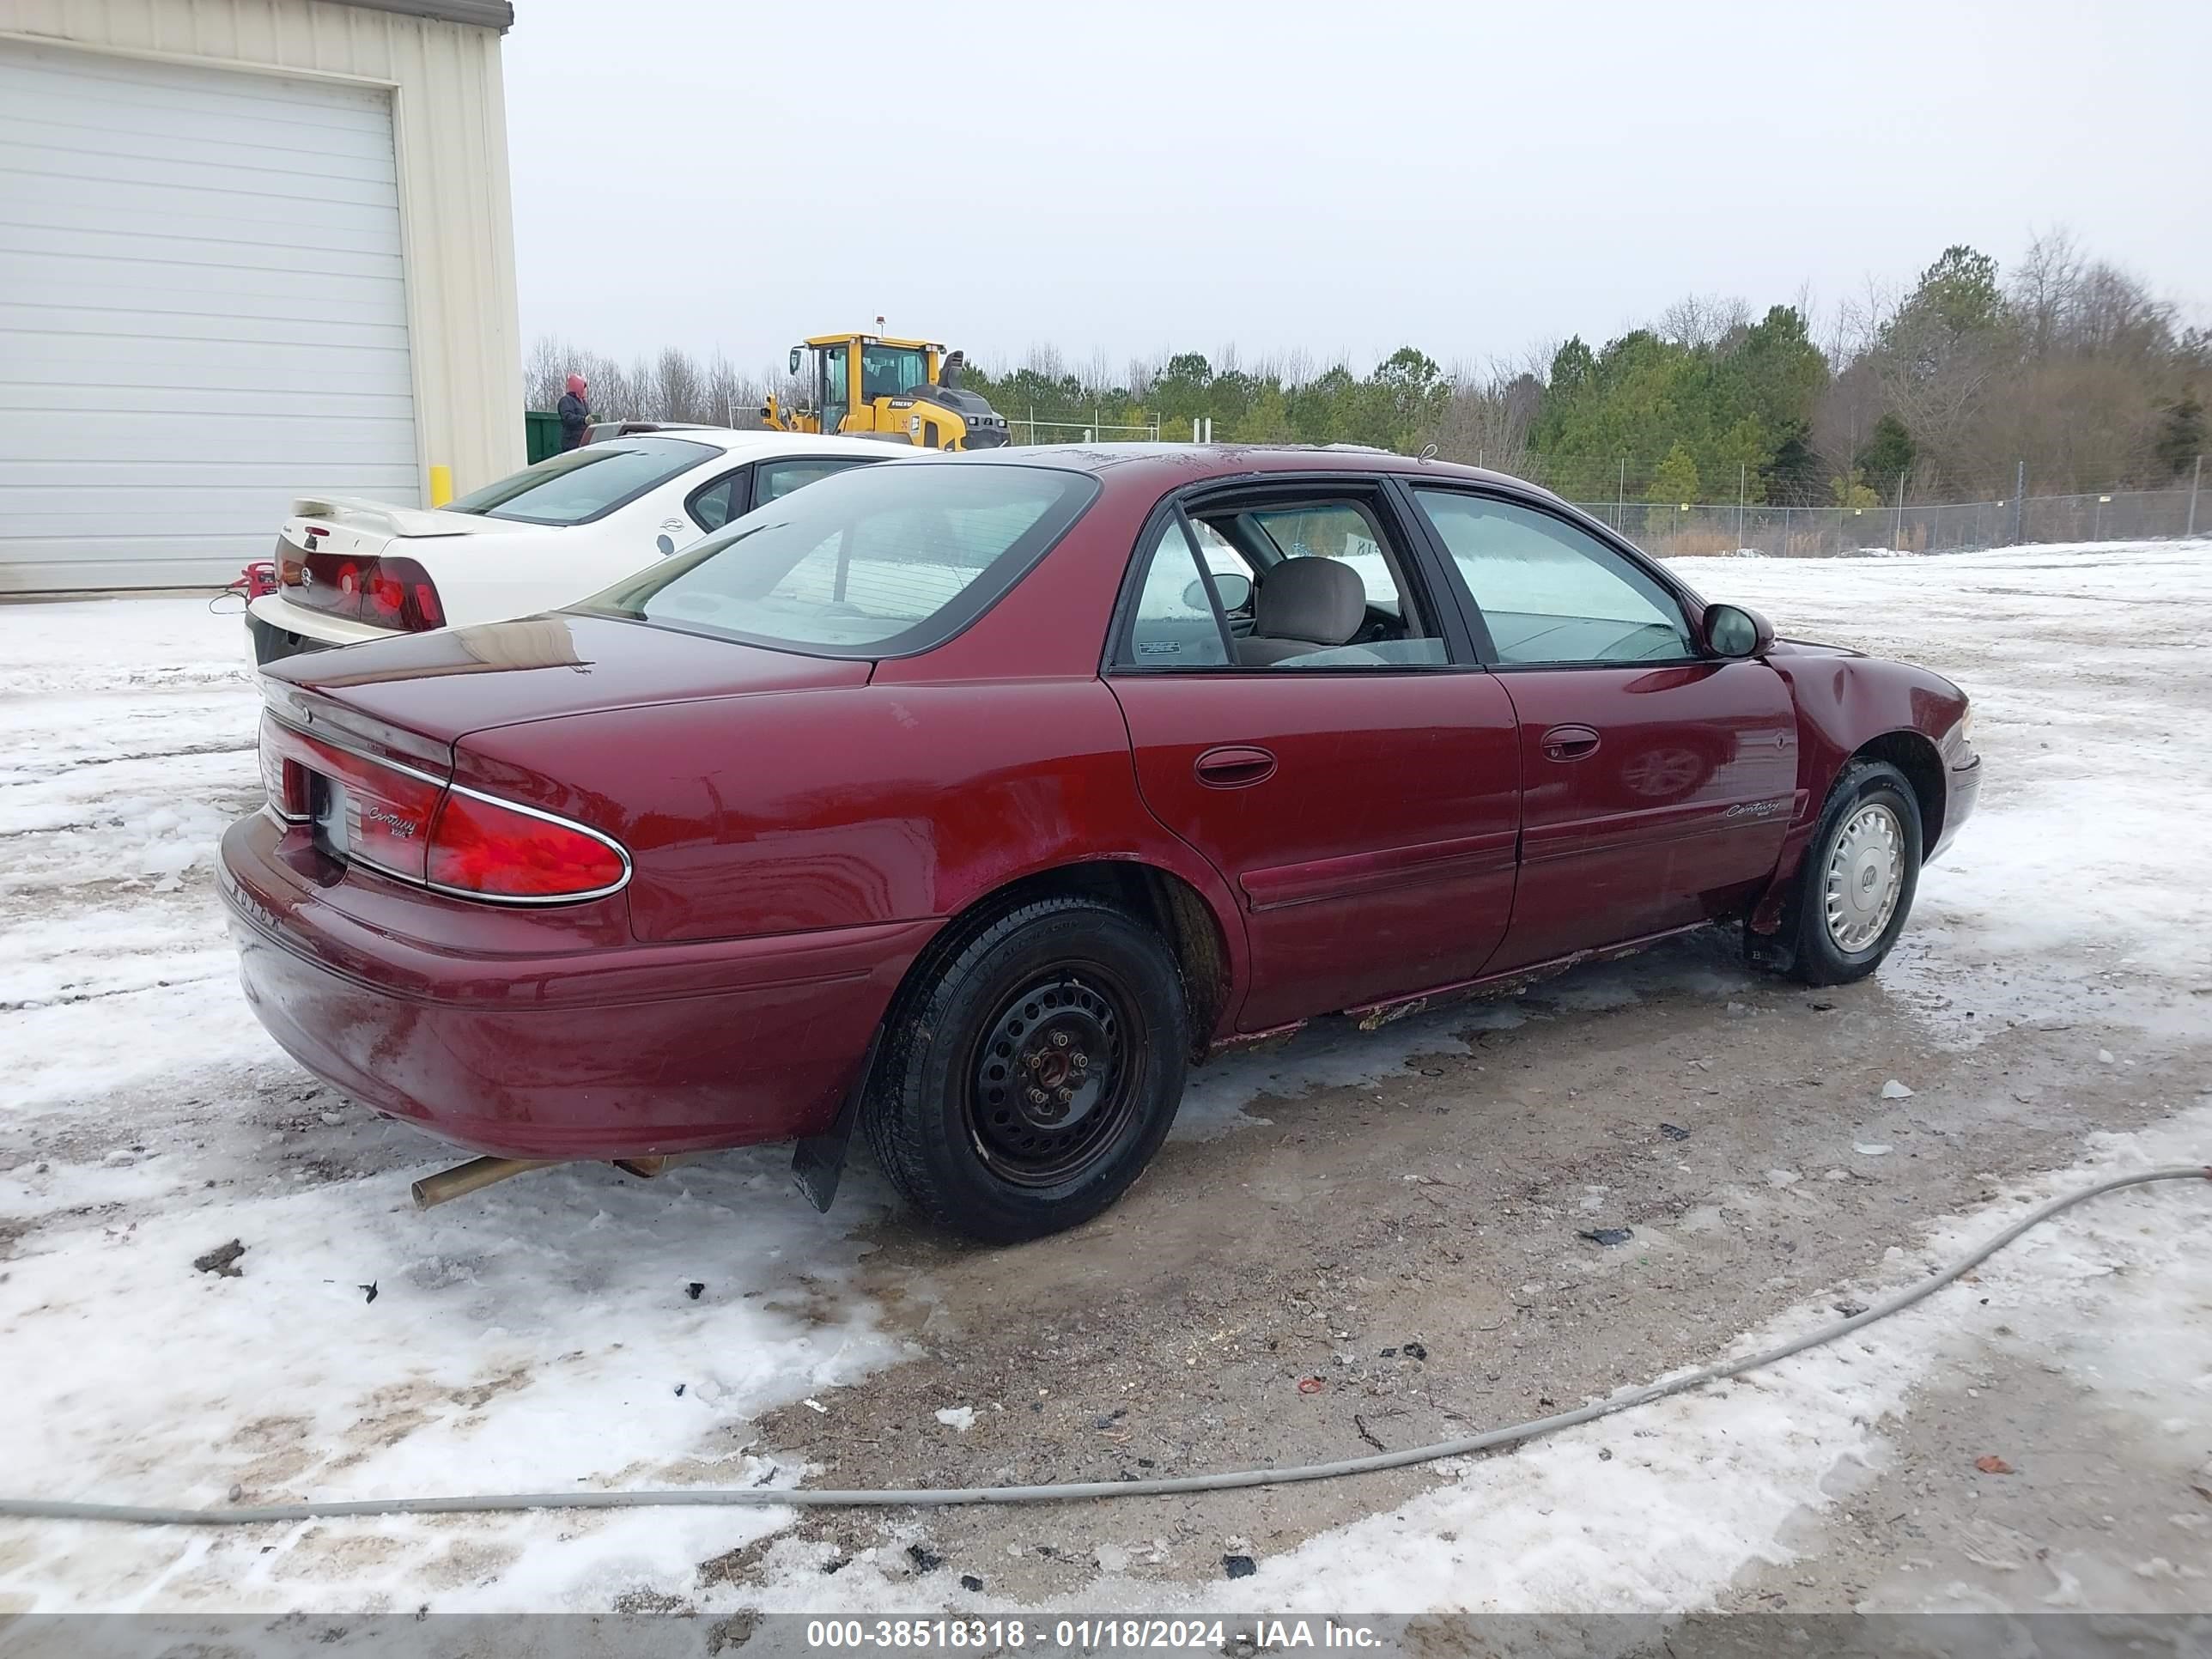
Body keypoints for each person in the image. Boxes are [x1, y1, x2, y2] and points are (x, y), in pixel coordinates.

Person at [556, 374, 591, 451]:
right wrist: (583, 420)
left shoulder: (584, 402)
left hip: (583, 442)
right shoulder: (566, 400)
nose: (585, 390)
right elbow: (567, 417)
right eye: (583, 387)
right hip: (571, 443)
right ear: (577, 387)